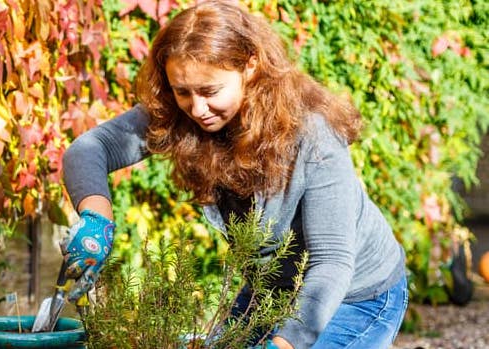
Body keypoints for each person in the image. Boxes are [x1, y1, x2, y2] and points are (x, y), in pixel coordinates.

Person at [58, 1, 408, 348]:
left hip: (357, 297)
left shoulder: (313, 134)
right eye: (183, 92)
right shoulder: (182, 113)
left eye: (210, 91)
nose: (197, 108)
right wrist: (96, 221)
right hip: (269, 291)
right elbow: (90, 150)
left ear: (251, 66)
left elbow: (331, 263)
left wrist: (282, 345)